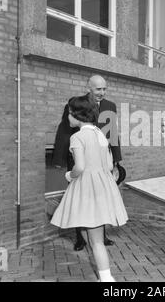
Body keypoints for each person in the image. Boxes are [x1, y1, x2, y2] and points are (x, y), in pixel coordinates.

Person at [51, 95, 128, 282]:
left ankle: (107, 279)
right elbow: (109, 165)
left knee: (97, 241)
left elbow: (79, 167)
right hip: (103, 187)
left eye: (69, 113)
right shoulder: (100, 134)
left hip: (87, 189)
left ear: (78, 115)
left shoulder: (77, 137)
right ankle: (103, 273)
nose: (68, 117)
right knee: (88, 230)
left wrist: (70, 176)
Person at [53, 75, 122, 251]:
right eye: (98, 89)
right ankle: (80, 238)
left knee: (100, 198)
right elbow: (65, 129)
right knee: (80, 199)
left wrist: (116, 160)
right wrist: (59, 159)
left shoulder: (110, 106)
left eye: (105, 89)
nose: (102, 92)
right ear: (89, 87)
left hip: (101, 159)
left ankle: (101, 236)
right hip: (79, 157)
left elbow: (113, 134)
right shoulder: (76, 104)